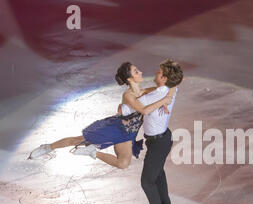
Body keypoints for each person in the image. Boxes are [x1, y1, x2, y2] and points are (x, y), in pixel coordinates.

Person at [28, 62, 176, 169]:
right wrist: (163, 101)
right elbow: (144, 109)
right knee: (78, 140)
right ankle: (48, 147)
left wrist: (163, 100)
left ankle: (93, 153)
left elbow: (162, 90)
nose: (141, 72)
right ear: (130, 78)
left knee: (123, 164)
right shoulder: (128, 95)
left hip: (128, 135)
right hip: (116, 129)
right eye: (136, 71)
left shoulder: (144, 91)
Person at [121, 59, 183, 204]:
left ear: (163, 78)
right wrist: (166, 96)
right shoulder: (169, 89)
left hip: (158, 143)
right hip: (161, 139)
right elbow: (176, 84)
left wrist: (128, 99)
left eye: (158, 72)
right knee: (158, 175)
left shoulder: (157, 95)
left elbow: (124, 110)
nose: (155, 73)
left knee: (147, 182)